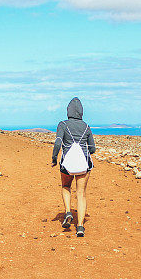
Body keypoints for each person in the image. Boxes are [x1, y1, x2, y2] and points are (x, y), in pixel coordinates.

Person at [51, 97, 95, 237]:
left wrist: (54, 158)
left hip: (67, 164)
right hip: (84, 163)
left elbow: (58, 143)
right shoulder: (86, 126)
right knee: (81, 193)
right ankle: (80, 226)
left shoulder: (63, 124)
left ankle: (68, 212)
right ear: (81, 112)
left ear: (68, 111)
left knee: (66, 187)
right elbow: (92, 148)